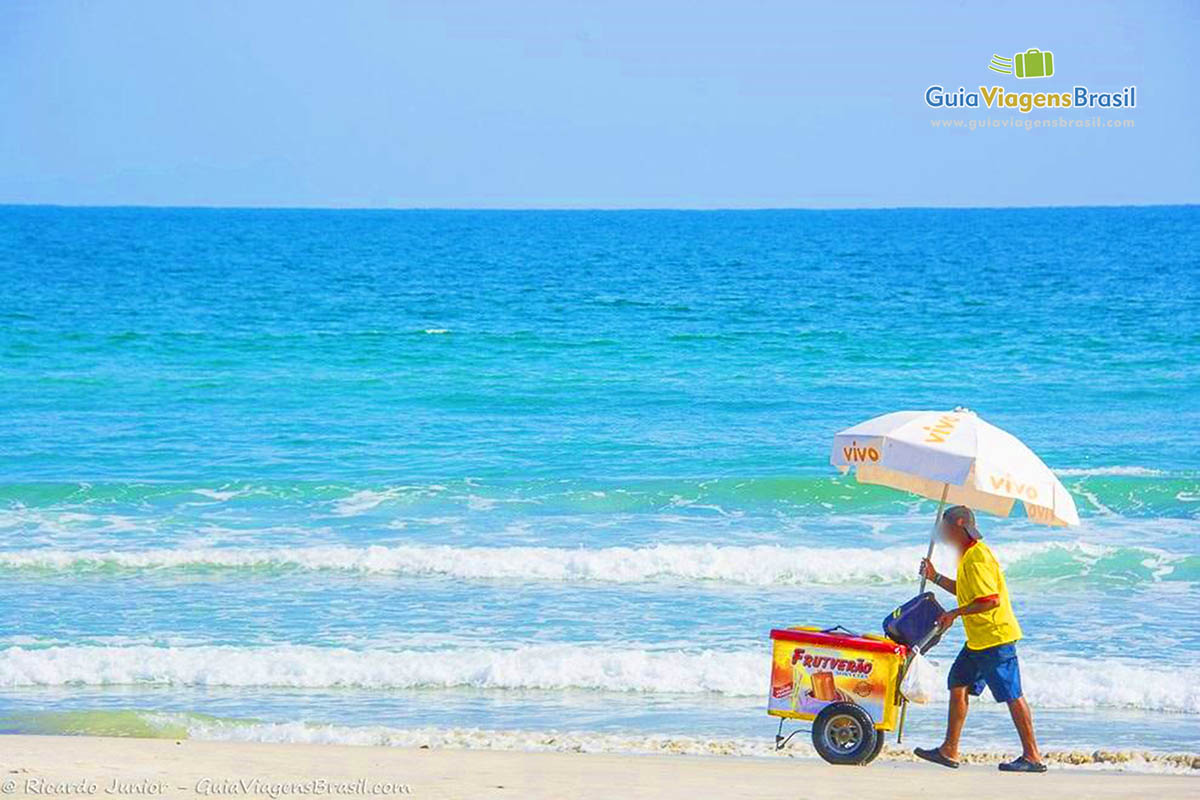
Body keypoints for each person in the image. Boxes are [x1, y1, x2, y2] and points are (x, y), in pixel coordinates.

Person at [913, 505, 1047, 773]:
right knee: (957, 681)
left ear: (959, 526)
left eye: (946, 528)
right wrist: (935, 577)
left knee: (1012, 694)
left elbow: (989, 600)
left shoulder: (978, 557)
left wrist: (954, 613)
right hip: (977, 639)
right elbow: (966, 592)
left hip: (995, 637)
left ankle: (1032, 756)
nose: (942, 533)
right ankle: (949, 750)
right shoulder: (966, 556)